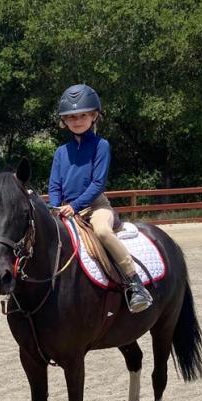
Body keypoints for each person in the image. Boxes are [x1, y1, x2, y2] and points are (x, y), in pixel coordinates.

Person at [48, 84, 153, 313]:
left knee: (103, 232)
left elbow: (98, 184)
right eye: (71, 117)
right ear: (64, 120)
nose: (77, 120)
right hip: (66, 209)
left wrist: (74, 206)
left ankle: (134, 283)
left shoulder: (101, 146)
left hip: (95, 207)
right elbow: (54, 185)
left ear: (94, 116)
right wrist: (56, 207)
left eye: (83, 115)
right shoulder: (60, 152)